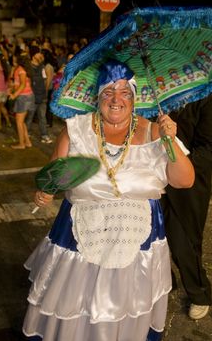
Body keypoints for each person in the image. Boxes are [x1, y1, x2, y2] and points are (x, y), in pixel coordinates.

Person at [22, 59, 195, 341]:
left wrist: (169, 142)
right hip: (79, 241)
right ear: (98, 97)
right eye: (108, 92)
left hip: (137, 241)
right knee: (75, 309)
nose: (116, 99)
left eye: (124, 92)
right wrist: (45, 191)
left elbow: (184, 181)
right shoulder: (76, 130)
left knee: (127, 310)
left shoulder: (155, 131)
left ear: (135, 97)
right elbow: (55, 176)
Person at [160, 95, 212, 320]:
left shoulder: (206, 96)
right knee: (154, 236)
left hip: (190, 183)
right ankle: (164, 280)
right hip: (154, 177)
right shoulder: (155, 95)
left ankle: (199, 293)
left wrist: (178, 161)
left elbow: (208, 147)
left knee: (185, 243)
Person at [26, 46, 52, 144]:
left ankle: (44, 135)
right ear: (33, 55)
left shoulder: (42, 66)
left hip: (42, 96)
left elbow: (45, 80)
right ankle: (26, 133)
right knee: (30, 116)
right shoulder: (28, 66)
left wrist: (44, 91)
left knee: (42, 117)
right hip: (32, 96)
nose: (40, 55)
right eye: (38, 53)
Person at [9, 52, 34, 149]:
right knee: (21, 121)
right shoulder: (24, 69)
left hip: (23, 97)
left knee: (19, 122)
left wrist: (14, 95)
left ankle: (21, 144)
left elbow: (23, 84)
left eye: (15, 58)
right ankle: (27, 142)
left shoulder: (20, 70)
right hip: (27, 96)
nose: (13, 60)